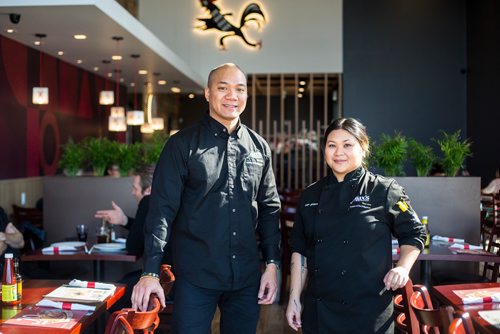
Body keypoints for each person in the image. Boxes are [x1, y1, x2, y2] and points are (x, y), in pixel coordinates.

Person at [131, 63, 281, 333]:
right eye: (223, 88)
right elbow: (161, 210)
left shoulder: (259, 147)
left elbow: (270, 209)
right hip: (195, 277)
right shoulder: (181, 145)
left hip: (246, 277)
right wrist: (150, 271)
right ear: (208, 93)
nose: (232, 96)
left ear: (246, 96)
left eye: (239, 89)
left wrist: (272, 264)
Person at [285, 118, 426, 333]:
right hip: (320, 310)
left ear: (364, 146)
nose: (338, 152)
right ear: (324, 150)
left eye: (347, 144)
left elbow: (414, 233)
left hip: (369, 311)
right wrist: (294, 298)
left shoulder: (385, 190)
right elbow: (300, 250)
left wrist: (403, 267)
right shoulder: (310, 195)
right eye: (332, 145)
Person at [95, 164, 156, 255]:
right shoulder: (168, 203)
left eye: (135, 188)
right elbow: (144, 230)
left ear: (149, 190)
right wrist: (124, 220)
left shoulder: (147, 201)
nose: (133, 192)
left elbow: (133, 247)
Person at [0, 206, 25, 272]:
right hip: (4, 273)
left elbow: (20, 241)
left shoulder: (0, 211)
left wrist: (3, 236)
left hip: (17, 268)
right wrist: (8, 239)